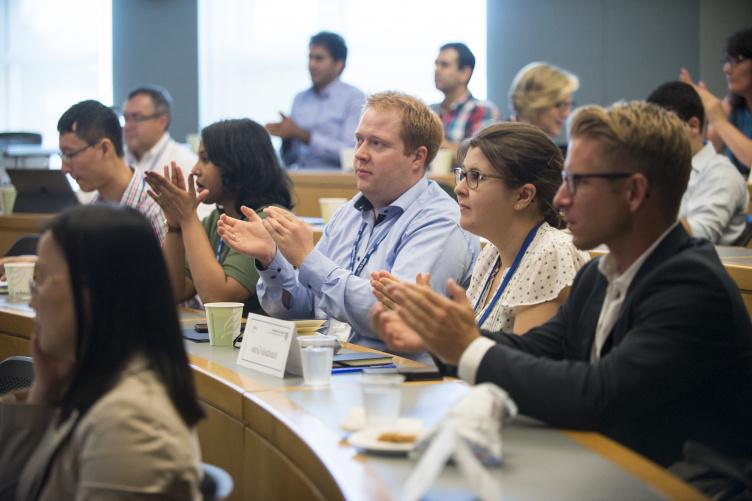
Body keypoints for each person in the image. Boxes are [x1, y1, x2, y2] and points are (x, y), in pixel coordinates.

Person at [373, 101, 752, 469]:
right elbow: (534, 349)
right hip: (612, 468)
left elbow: (596, 395)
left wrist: (466, 346)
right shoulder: (599, 276)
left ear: (634, 193)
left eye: (578, 182)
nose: (562, 197)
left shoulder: (689, 285)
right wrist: (440, 336)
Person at [219, 91, 479, 356]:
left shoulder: (441, 221)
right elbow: (302, 308)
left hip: (397, 376)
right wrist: (271, 260)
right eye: (359, 140)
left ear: (417, 157)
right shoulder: (351, 211)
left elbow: (393, 319)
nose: (360, 154)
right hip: (333, 364)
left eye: (377, 144)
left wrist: (308, 259)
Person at [0, 204, 204, 499]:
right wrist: (42, 391)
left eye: (42, 280)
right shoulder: (89, 377)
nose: (33, 301)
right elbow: (16, 488)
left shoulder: (132, 425)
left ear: (95, 292)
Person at [372, 122, 589, 354]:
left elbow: (523, 368)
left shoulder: (551, 251)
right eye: (462, 175)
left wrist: (438, 334)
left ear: (523, 195)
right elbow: (471, 349)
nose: (459, 189)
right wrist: (428, 324)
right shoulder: (491, 254)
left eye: (475, 176)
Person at [145, 119, 293, 315]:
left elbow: (219, 300)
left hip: (260, 342)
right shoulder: (216, 218)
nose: (195, 170)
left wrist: (188, 218)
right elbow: (173, 291)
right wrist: (175, 224)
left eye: (205, 159)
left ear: (237, 164)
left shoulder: (267, 221)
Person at [647, 81, 748, 245]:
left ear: (693, 125)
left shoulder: (721, 174)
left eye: (662, 128)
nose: (653, 139)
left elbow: (699, 235)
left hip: (694, 267)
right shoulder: (657, 170)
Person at [58, 99, 165, 241]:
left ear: (105, 149)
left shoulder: (154, 210)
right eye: (62, 155)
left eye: (70, 154)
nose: (64, 168)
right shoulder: (92, 212)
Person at [266, 31, 365, 168]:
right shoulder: (300, 99)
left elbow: (351, 153)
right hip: (301, 179)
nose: (312, 65)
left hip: (337, 182)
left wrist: (303, 135)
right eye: (310, 58)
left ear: (339, 65)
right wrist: (287, 139)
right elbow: (290, 160)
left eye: (319, 59)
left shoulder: (354, 98)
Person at [123, 84, 211, 219]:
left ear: (162, 121)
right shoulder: (118, 158)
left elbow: (200, 218)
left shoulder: (185, 162)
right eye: (125, 118)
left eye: (136, 118)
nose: (127, 126)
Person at [681, 28, 752, 177]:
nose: (726, 69)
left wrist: (719, 120)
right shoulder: (732, 105)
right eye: (727, 60)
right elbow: (707, 150)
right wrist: (702, 115)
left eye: (737, 60)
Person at [431, 42, 499, 155]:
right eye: (436, 64)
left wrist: (435, 143)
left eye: (444, 65)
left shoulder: (483, 110)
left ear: (465, 73)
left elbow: (480, 157)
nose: (436, 70)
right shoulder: (430, 111)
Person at [508, 62, 579, 145]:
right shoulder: (497, 147)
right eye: (561, 105)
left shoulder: (546, 149)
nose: (566, 114)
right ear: (535, 102)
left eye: (568, 105)